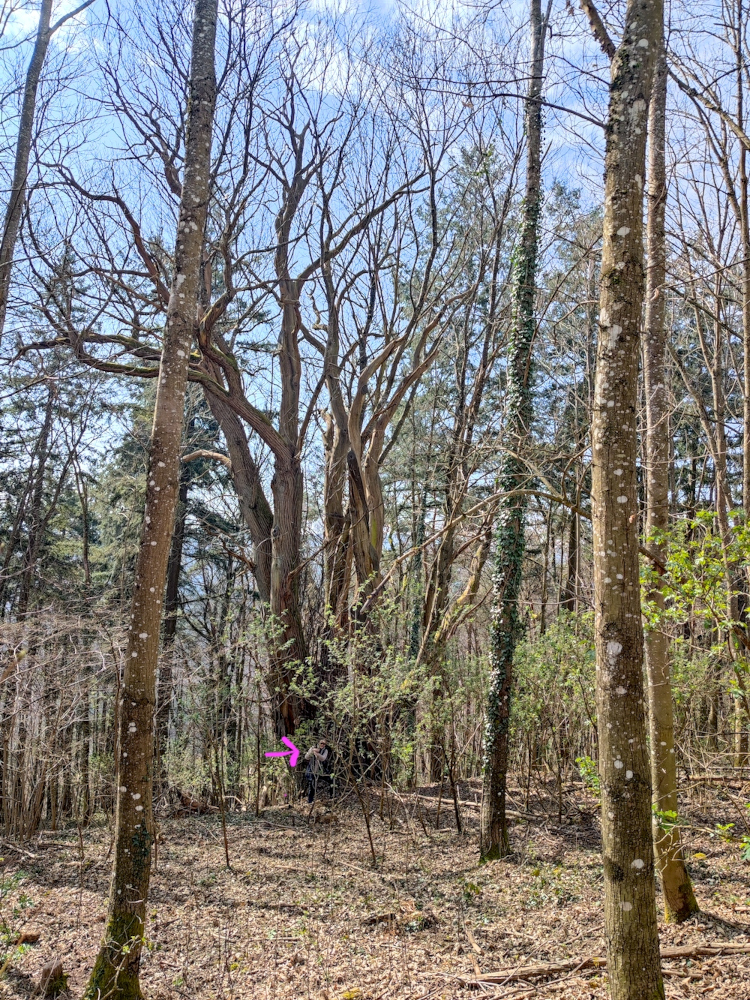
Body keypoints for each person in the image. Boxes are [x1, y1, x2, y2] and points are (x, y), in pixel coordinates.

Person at [304, 738, 329, 804]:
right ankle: (310, 801)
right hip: (312, 770)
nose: (322, 745)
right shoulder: (313, 748)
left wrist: (317, 754)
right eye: (321, 743)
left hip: (321, 770)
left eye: (324, 744)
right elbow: (306, 757)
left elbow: (323, 758)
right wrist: (312, 751)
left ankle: (331, 796)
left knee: (331, 780)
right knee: (311, 786)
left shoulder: (325, 750)